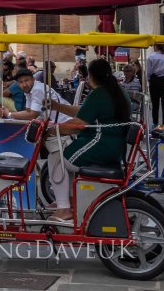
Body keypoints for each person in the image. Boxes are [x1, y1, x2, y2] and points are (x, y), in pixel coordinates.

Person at [48, 59, 132, 221]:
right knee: (64, 157)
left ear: (92, 76)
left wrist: (53, 130)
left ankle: (64, 208)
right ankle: (68, 200)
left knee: (56, 157)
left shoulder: (99, 94)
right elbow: (84, 111)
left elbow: (78, 124)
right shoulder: (118, 91)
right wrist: (57, 107)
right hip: (113, 146)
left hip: (99, 145)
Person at [0, 68, 73, 207]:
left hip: (64, 129)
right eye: (21, 82)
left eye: (26, 80)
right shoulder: (30, 91)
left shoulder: (37, 90)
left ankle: (64, 206)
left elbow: (31, 115)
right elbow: (30, 112)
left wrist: (10, 115)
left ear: (33, 79)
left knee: (58, 169)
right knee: (57, 168)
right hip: (57, 131)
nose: (24, 84)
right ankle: (63, 203)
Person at [146, 44, 164, 125]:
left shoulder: (151, 57)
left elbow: (149, 72)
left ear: (156, 47)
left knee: (155, 104)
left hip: (155, 80)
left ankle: (155, 124)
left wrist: (149, 80)